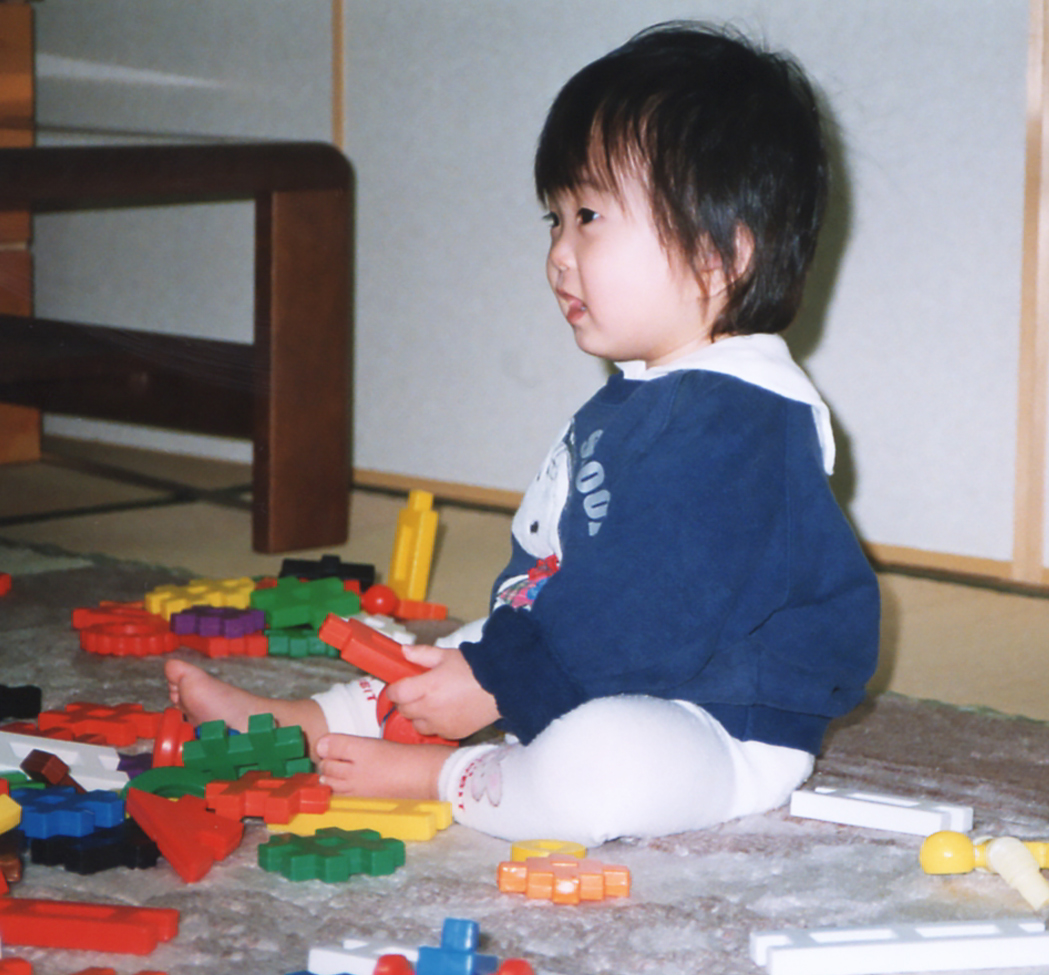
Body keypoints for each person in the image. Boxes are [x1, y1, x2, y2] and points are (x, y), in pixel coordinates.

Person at [166, 21, 879, 847]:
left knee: (601, 765)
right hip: (605, 657)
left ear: (722, 256)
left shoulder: (742, 418)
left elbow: (653, 606)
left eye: (588, 216)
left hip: (718, 721)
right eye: (554, 219)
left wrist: (498, 685)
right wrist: (484, 663)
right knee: (469, 646)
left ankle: (448, 776)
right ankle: (309, 723)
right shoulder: (647, 393)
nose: (559, 254)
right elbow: (565, 580)